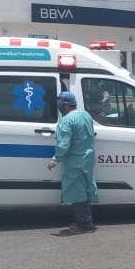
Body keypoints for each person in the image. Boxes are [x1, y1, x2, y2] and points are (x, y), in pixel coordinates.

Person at [47, 91, 98, 234]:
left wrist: (55, 160)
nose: (58, 104)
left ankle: (85, 225)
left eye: (59, 102)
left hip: (75, 160)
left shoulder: (67, 121)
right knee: (85, 190)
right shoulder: (85, 115)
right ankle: (86, 220)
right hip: (87, 158)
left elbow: (63, 144)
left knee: (77, 193)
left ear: (66, 104)